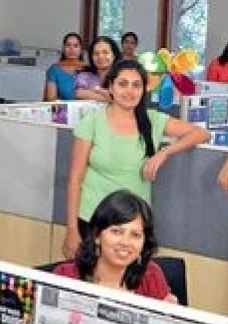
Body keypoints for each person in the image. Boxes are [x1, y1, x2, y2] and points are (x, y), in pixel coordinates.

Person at [64, 59, 209, 258]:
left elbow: (201, 133)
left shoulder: (152, 120)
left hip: (133, 224)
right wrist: (72, 230)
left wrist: (164, 152)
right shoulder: (93, 122)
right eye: (122, 84)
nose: (129, 91)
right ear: (111, 87)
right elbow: (75, 180)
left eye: (136, 85)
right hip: (94, 219)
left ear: (143, 90)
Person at [53, 189, 176, 302]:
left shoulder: (150, 276)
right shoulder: (66, 276)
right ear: (97, 235)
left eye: (135, 235)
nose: (125, 242)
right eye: (116, 232)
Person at [75, 36, 120, 102]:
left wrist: (93, 91)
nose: (100, 56)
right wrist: (109, 96)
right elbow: (78, 93)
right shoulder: (84, 76)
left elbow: (122, 98)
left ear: (114, 55)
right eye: (96, 53)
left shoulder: (121, 76)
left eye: (105, 52)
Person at [45, 32, 86, 101]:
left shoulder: (88, 69)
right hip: (62, 107)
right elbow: (51, 99)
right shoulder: (54, 69)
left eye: (75, 46)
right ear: (63, 48)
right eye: (68, 45)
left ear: (81, 49)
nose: (71, 49)